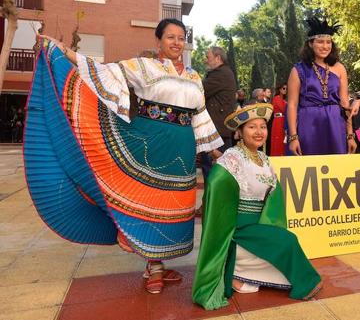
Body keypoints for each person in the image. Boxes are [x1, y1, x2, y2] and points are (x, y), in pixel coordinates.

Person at [25, 19, 224, 294]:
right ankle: (153, 266)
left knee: (172, 204)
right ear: (159, 41)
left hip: (182, 146)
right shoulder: (142, 66)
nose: (177, 43)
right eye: (170, 37)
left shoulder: (194, 76)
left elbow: (200, 116)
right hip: (148, 141)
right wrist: (64, 52)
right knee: (147, 200)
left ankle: (159, 260)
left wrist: (215, 150)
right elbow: (103, 71)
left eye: (181, 38)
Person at [192, 103, 322, 310]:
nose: (259, 132)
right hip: (237, 230)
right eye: (252, 127)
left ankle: (242, 275)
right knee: (287, 242)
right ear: (239, 133)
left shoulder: (264, 158)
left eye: (263, 126)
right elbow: (216, 184)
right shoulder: (232, 158)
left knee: (283, 240)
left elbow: (273, 195)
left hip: (257, 225)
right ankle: (233, 269)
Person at [287, 17, 357, 155]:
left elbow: (344, 102)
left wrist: (350, 135)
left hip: (335, 124)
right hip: (308, 124)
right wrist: (293, 137)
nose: (325, 46)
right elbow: (292, 105)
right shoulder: (298, 70)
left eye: (328, 42)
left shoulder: (339, 68)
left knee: (337, 168)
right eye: (320, 42)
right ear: (310, 44)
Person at [200, 46, 238, 179]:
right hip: (220, 129)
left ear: (218, 58)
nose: (206, 60)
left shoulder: (220, 74)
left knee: (213, 170)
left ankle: (213, 199)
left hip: (216, 131)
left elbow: (200, 91)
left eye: (208, 57)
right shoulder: (224, 72)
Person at [270, 83, 287, 156]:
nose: (285, 90)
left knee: (282, 138)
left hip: (283, 120)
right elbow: (283, 109)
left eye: (286, 89)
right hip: (278, 121)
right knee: (278, 139)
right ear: (280, 89)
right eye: (284, 88)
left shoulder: (284, 99)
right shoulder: (276, 98)